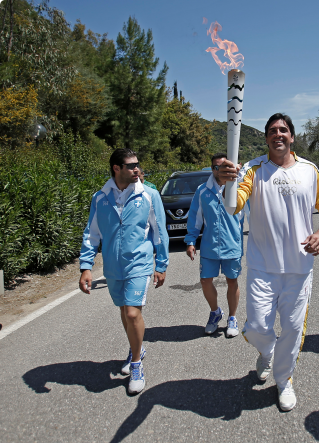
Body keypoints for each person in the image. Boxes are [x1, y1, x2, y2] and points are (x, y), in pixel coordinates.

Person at [216, 113, 319, 412]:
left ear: (292, 136)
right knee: (256, 326)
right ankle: (267, 350)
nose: (278, 134)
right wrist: (229, 182)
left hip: (299, 268)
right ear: (266, 137)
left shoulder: (310, 171)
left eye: (283, 130)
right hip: (262, 267)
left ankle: (284, 380)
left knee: (293, 330)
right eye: (272, 130)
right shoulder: (253, 169)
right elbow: (234, 206)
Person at [79, 148, 169, 395]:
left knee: (132, 313)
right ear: (116, 168)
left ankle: (137, 364)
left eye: (137, 164)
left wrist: (161, 264)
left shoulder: (148, 194)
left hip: (139, 263)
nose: (136, 169)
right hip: (112, 266)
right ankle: (135, 348)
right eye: (131, 165)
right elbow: (91, 233)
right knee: (124, 310)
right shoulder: (101, 197)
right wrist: (86, 266)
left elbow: (159, 231)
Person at [185, 153, 243, 337]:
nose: (220, 169)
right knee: (205, 280)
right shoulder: (203, 191)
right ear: (212, 169)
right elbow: (195, 218)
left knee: (232, 281)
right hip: (209, 246)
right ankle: (215, 312)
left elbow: (253, 215)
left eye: (224, 166)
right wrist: (190, 241)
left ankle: (232, 317)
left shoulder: (239, 188)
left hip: (232, 245)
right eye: (217, 167)